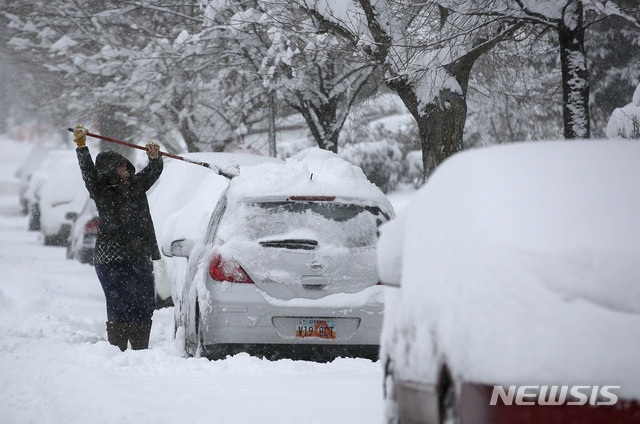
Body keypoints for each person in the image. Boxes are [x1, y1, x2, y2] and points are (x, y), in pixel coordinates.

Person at [72, 125, 163, 351]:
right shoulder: (102, 191)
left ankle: (141, 348)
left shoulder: (136, 186)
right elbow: (88, 173)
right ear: (111, 170)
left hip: (139, 256)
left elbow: (153, 171)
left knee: (144, 304)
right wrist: (82, 148)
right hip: (111, 260)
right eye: (121, 165)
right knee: (119, 305)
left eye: (126, 164)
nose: (126, 168)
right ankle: (118, 350)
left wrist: (155, 157)